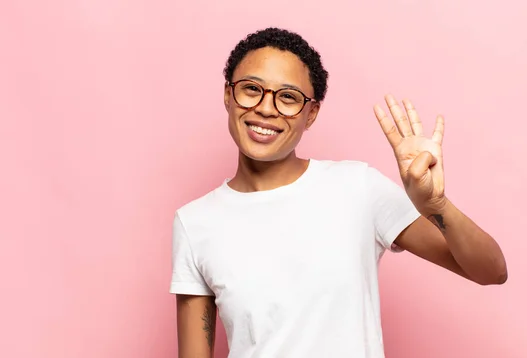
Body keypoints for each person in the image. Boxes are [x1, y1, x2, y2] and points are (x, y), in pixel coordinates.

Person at [169, 27, 507, 358]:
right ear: (228, 95)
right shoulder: (195, 222)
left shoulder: (357, 188)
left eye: (288, 97)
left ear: (311, 113)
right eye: (251, 89)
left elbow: (491, 271)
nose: (266, 108)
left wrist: (437, 206)